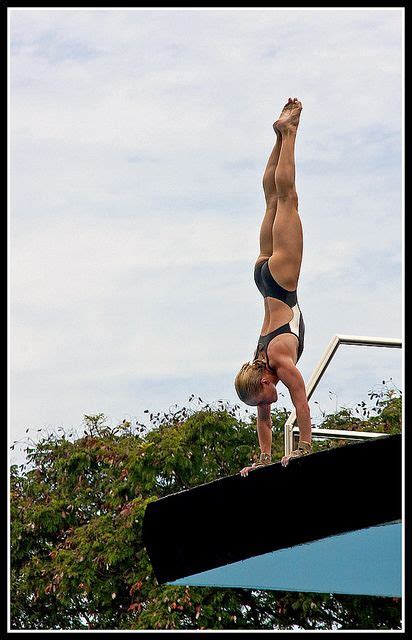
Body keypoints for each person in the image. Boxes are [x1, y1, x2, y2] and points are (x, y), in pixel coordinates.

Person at [234, 98, 312, 475]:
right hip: (262, 277)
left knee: (287, 198)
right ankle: (278, 137)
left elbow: (301, 399)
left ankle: (289, 133)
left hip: (280, 279)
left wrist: (303, 448)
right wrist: (262, 461)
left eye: (261, 398)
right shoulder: (260, 363)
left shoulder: (278, 361)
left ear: (263, 381)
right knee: (270, 201)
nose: (265, 404)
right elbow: (264, 421)